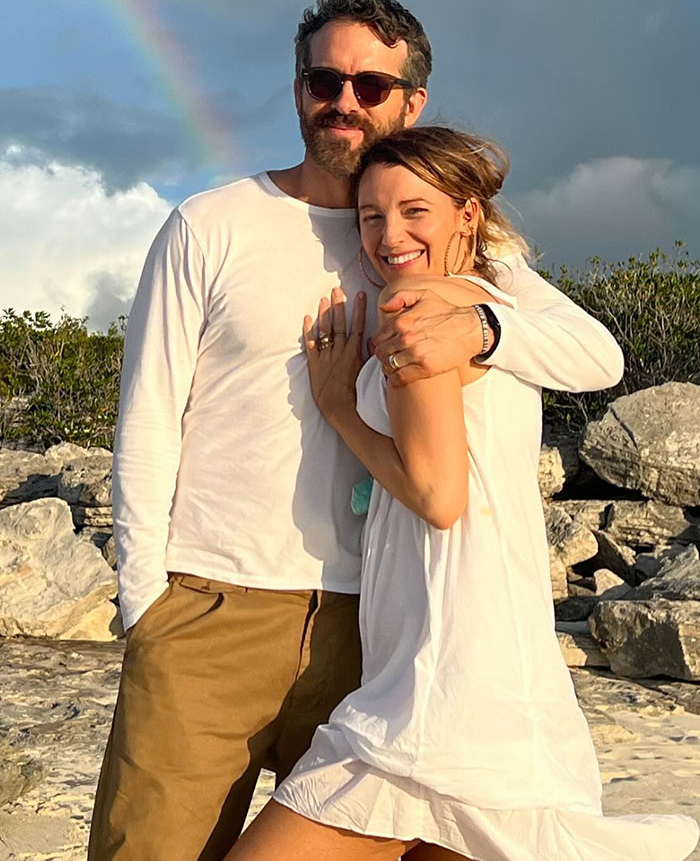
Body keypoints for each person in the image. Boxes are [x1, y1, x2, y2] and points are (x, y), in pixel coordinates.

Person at [88, 0, 627, 861]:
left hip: (371, 631)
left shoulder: (458, 248)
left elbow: (596, 355)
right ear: (299, 89)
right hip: (210, 608)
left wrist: (482, 327)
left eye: (371, 86)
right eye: (324, 80)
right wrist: (145, 602)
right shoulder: (211, 224)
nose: (344, 101)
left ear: (411, 101)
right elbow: (146, 417)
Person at [225, 126, 700, 861]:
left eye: (415, 211)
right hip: (495, 652)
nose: (389, 235)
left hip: (438, 675)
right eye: (371, 217)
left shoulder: (415, 304)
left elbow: (436, 494)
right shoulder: (495, 302)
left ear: (466, 215)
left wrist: (340, 410)